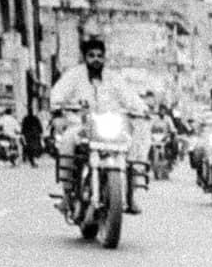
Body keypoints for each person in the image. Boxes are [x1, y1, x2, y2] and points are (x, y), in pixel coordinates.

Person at [49, 34, 150, 210]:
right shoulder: (73, 76)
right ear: (85, 57)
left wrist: (142, 110)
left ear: (104, 57)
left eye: (99, 56)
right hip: (80, 125)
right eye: (92, 55)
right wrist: (57, 112)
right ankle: (67, 194)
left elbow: (129, 97)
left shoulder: (113, 78)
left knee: (134, 146)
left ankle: (130, 194)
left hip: (110, 125)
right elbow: (58, 94)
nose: (96, 59)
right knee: (67, 143)